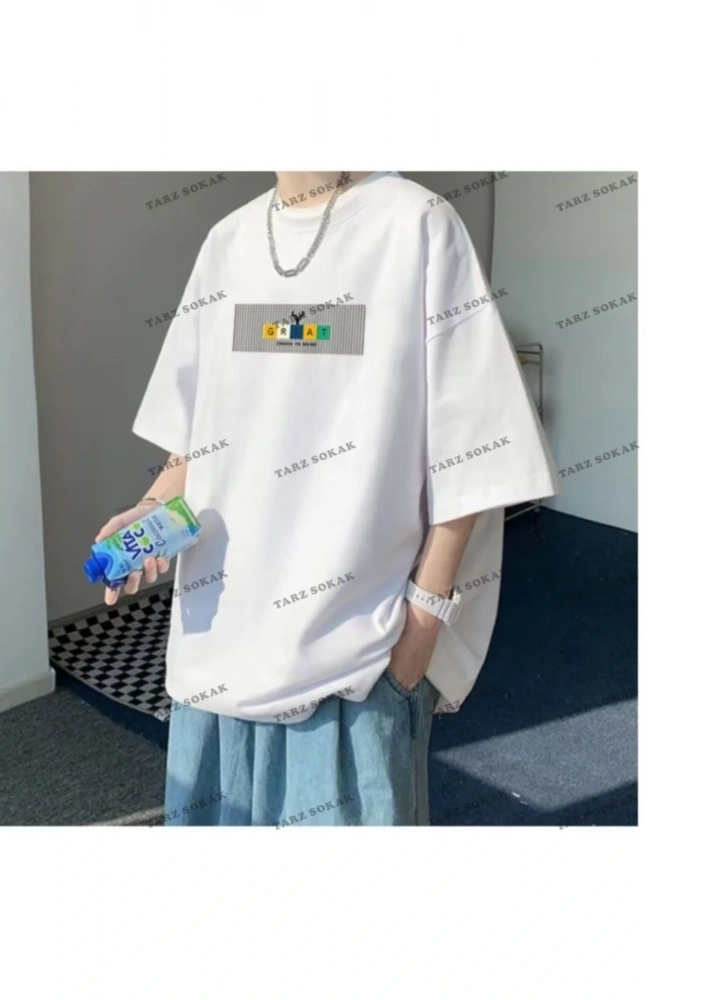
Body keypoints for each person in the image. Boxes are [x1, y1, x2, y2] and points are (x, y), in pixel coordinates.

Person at [94, 170, 559, 826]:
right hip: (217, 649)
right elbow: (197, 438)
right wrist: (152, 509)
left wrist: (423, 625)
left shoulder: (415, 225)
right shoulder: (227, 243)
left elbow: (475, 448)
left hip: (355, 660)